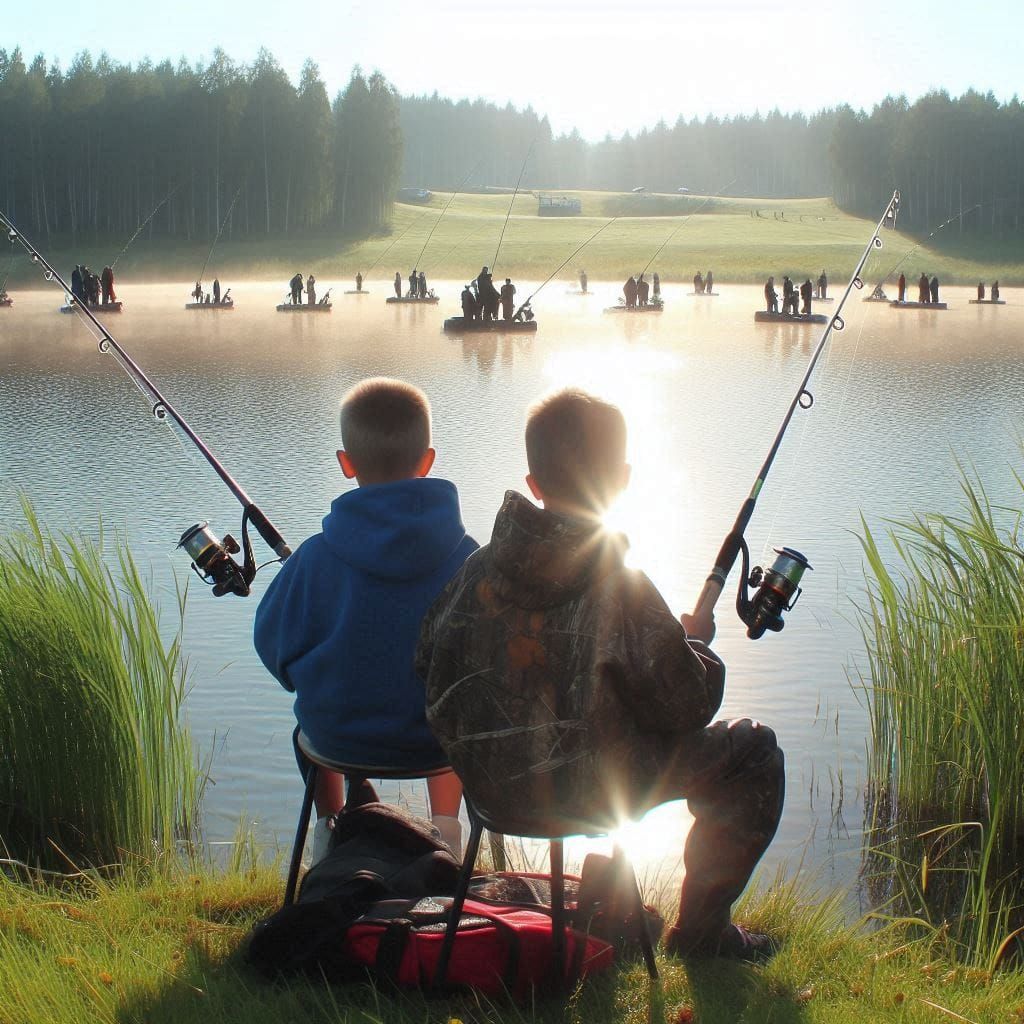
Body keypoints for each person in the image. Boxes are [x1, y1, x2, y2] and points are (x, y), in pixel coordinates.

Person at [417, 388, 784, 962]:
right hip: (594, 796)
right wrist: (697, 648)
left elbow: (426, 664)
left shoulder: (474, 572)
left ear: (533, 483)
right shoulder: (624, 588)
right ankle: (702, 936)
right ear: (622, 479)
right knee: (755, 752)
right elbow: (689, 707)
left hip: (490, 793)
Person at [254, 378, 478, 862]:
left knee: (305, 729)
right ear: (428, 461)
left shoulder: (313, 559)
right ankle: (447, 837)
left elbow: (273, 648)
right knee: (452, 715)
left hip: (339, 737)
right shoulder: (470, 560)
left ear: (346, 463)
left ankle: (328, 834)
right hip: (438, 745)